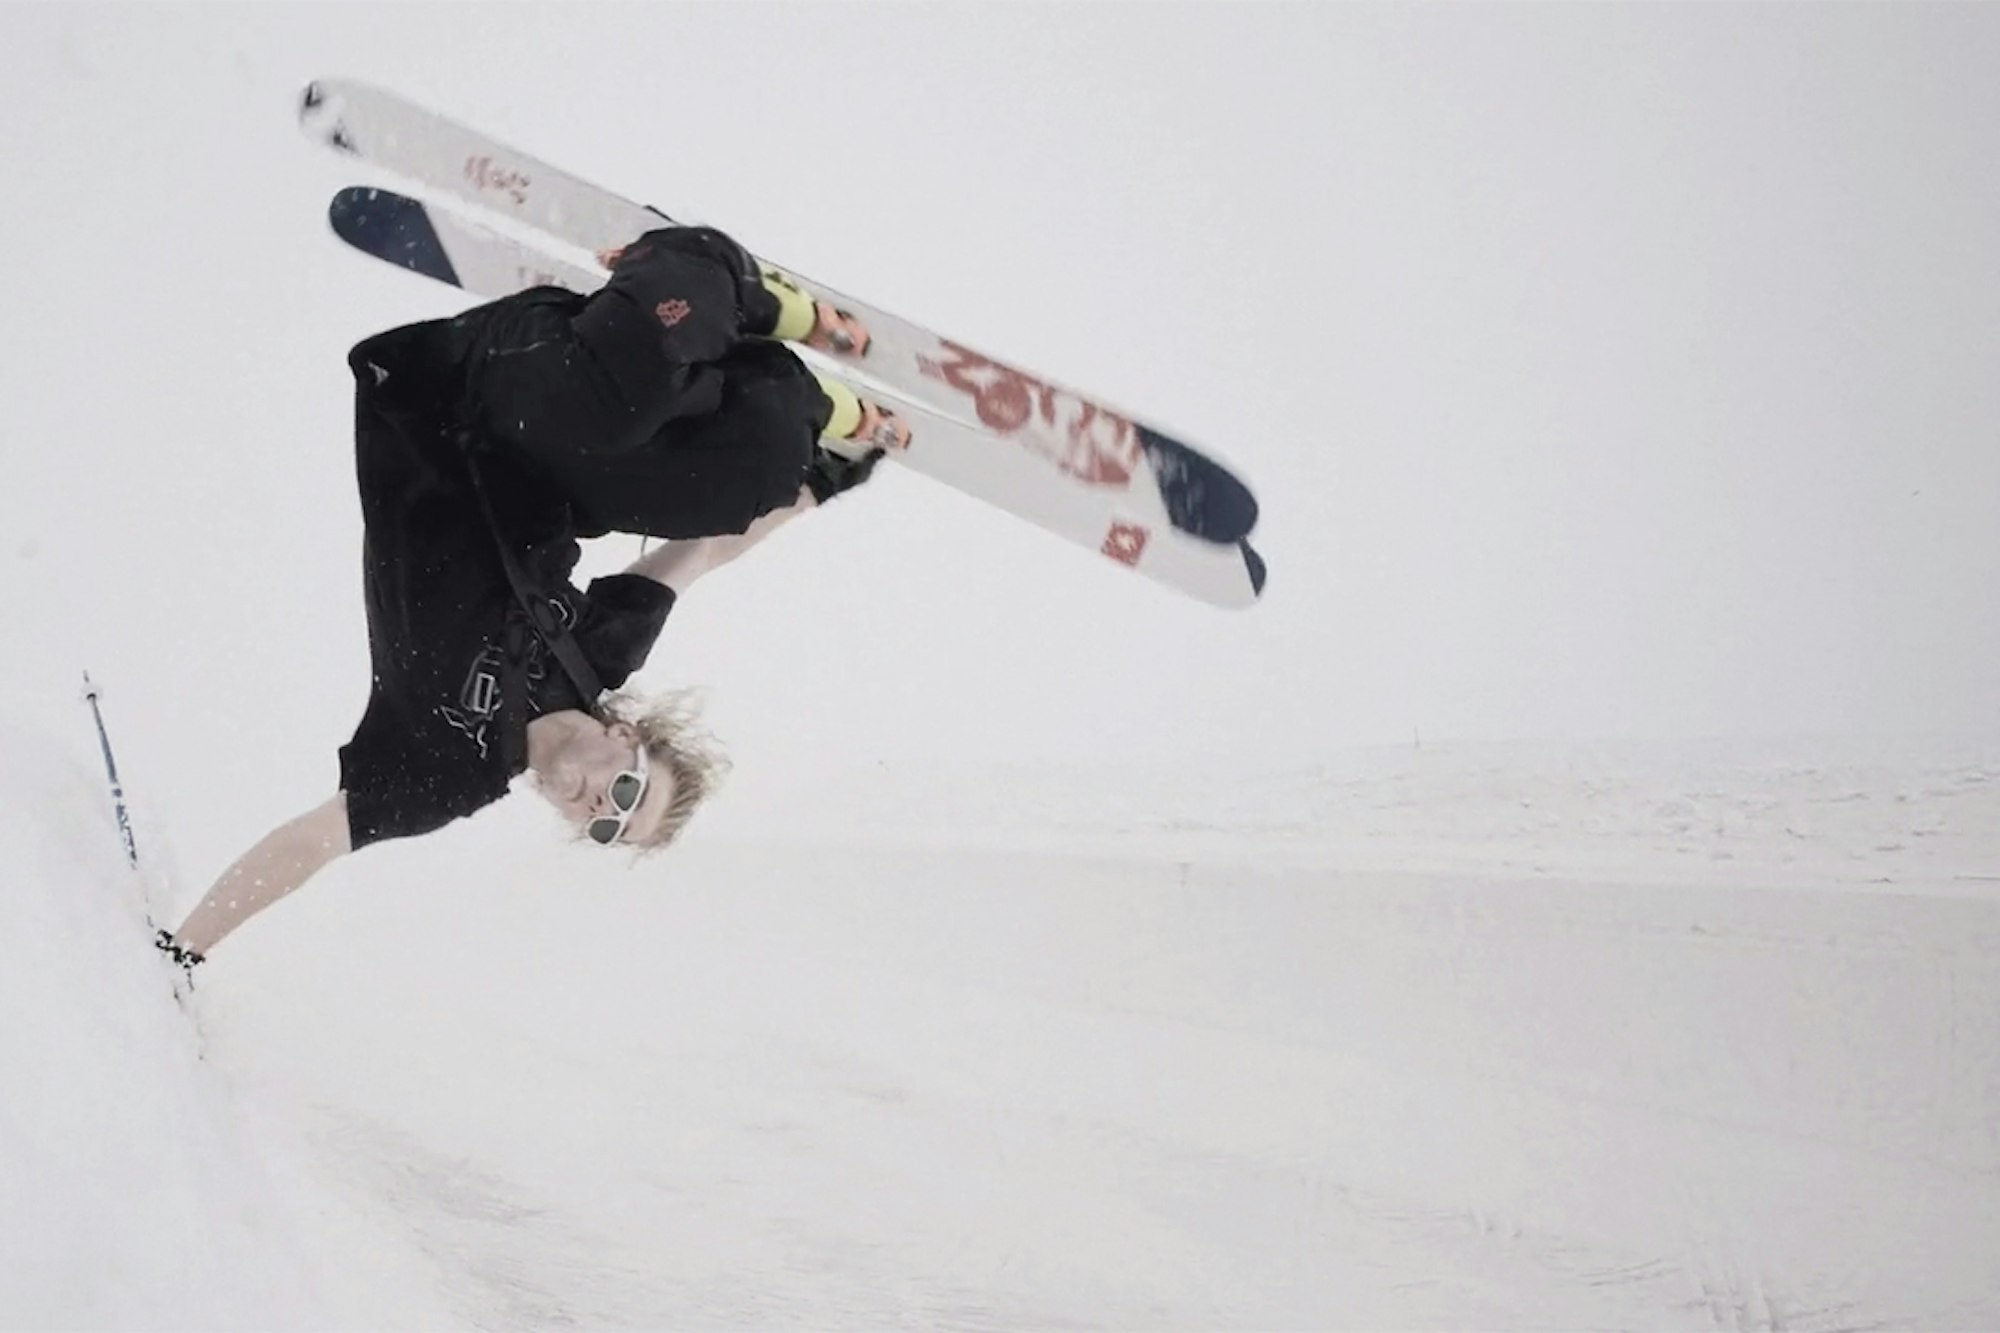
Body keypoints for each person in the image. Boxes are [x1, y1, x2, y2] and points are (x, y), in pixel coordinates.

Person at [157, 225, 904, 969]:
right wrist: (819, 489)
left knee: (722, 455)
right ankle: (726, 290)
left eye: (607, 828)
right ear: (625, 737)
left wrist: (186, 948)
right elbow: (702, 553)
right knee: (720, 467)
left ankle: (753, 363)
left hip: (432, 396)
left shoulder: (450, 774)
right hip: (538, 400)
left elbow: (312, 843)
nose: (601, 808)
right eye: (627, 793)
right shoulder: (598, 656)